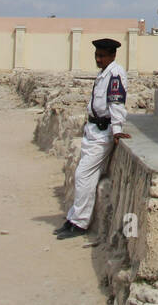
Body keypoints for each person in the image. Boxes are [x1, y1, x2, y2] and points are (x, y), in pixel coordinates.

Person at [55, 38, 131, 240]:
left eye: (102, 56)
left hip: (102, 131)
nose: (98, 59)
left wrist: (116, 129)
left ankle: (79, 222)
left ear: (112, 55)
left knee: (83, 175)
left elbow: (116, 103)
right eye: (97, 55)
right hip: (93, 130)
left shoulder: (115, 73)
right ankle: (73, 219)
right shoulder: (104, 73)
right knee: (83, 176)